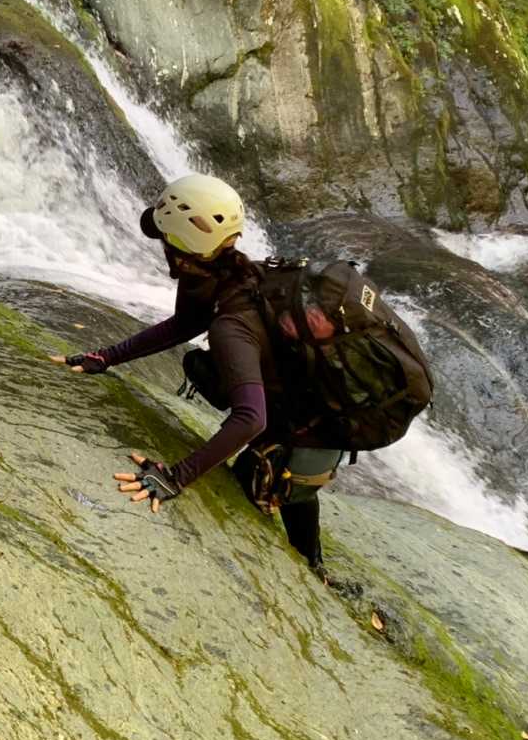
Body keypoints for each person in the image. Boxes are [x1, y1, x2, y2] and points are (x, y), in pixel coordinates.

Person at [50, 173, 341, 578]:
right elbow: (181, 326)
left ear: (181, 250)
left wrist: (175, 477)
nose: (161, 246)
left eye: (165, 238)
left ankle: (314, 571)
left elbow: (250, 419)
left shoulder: (230, 325)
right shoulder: (224, 277)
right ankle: (313, 563)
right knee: (210, 382)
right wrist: (106, 357)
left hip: (313, 427)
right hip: (300, 401)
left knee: (263, 484)